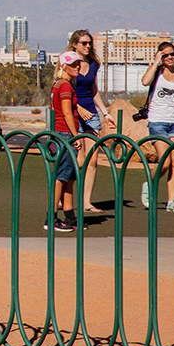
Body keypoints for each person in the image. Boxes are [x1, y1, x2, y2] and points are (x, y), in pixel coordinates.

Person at [66, 29, 114, 214]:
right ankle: (65, 194)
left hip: (92, 115)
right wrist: (77, 108)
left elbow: (94, 89)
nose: (87, 46)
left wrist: (105, 113)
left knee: (93, 160)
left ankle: (86, 202)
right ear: (74, 45)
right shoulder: (68, 63)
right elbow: (63, 87)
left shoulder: (93, 64)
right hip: (74, 113)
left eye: (89, 43)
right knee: (78, 160)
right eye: (83, 43)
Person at [140, 41, 174, 213]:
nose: (169, 57)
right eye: (165, 55)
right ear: (160, 56)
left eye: (172, 54)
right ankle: (149, 183)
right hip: (157, 121)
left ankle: (172, 201)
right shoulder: (157, 71)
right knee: (165, 161)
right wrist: (156, 63)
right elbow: (145, 82)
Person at [45, 51, 83, 232]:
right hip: (65, 135)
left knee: (68, 178)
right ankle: (51, 219)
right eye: (73, 64)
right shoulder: (65, 86)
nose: (77, 66)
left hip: (60, 133)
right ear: (63, 66)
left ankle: (70, 217)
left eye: (78, 64)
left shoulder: (59, 84)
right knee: (60, 178)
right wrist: (75, 136)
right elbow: (67, 112)